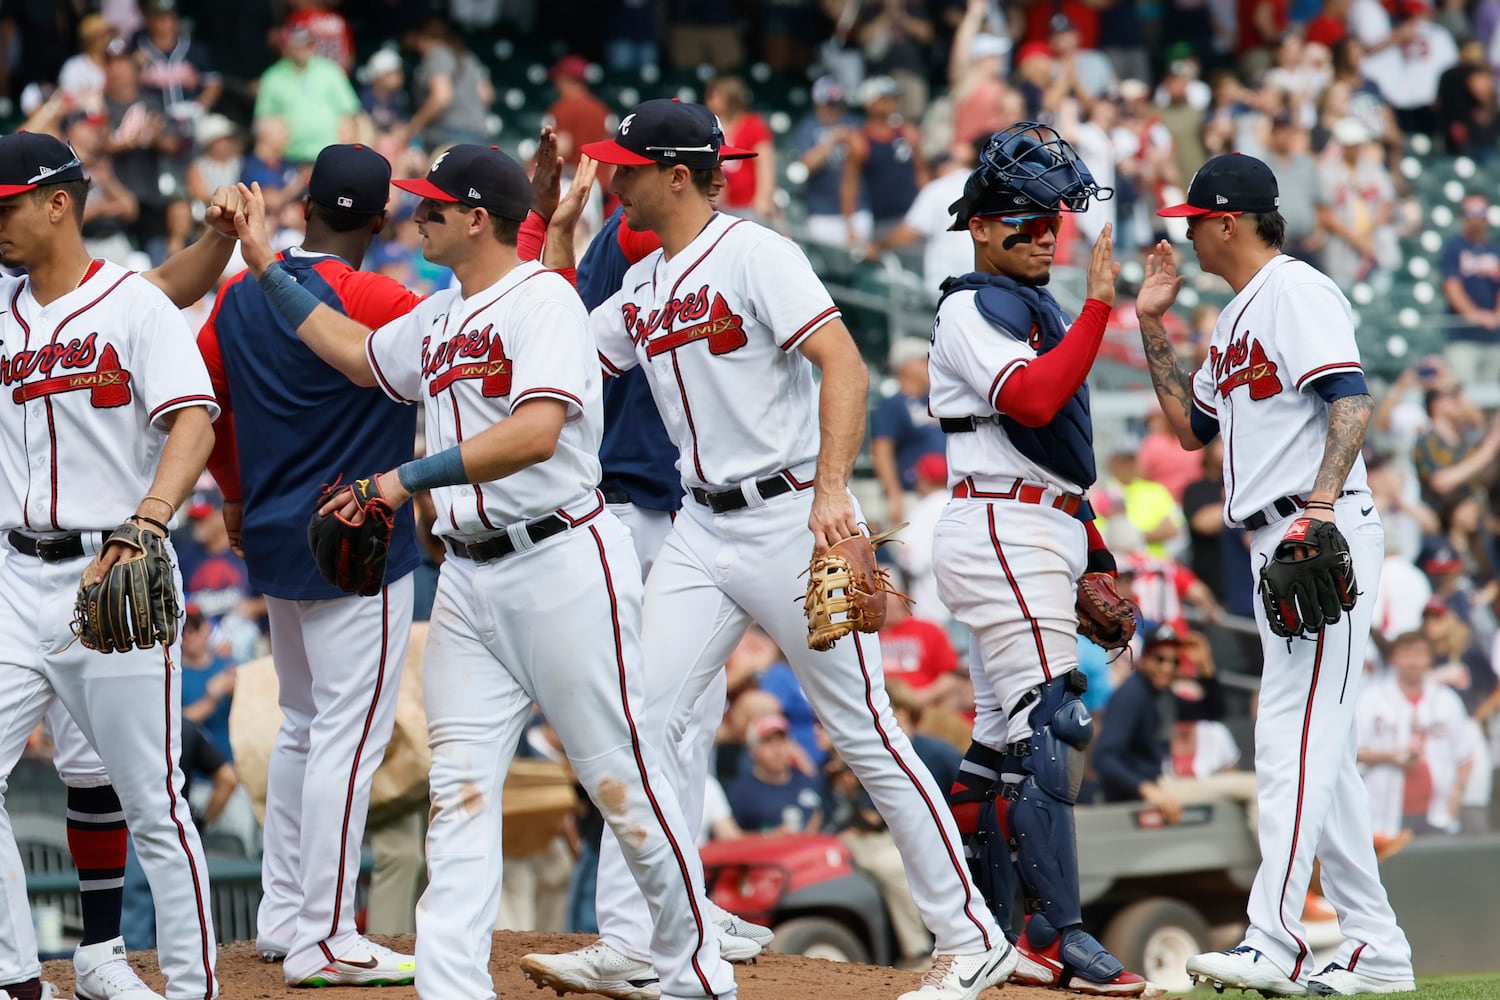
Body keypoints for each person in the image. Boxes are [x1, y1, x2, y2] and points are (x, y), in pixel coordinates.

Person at [531, 98, 1015, 1000]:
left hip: (791, 512)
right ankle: (644, 941)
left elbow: (846, 363)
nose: (616, 180)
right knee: (643, 726)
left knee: (863, 732)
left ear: (679, 174)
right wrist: (556, 231)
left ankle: (970, 933)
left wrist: (834, 491)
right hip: (700, 526)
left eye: (628, 168)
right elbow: (554, 344)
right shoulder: (643, 286)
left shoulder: (757, 254)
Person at [230, 141, 736, 1000]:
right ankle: (453, 987)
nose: (415, 215)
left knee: (622, 778)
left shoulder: (544, 300)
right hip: (467, 577)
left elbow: (537, 431)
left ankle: (694, 965)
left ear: (476, 219)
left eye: (432, 204)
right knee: (457, 793)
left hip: (563, 564)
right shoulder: (438, 314)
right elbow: (353, 353)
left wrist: (400, 480)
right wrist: (263, 265)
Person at [1136, 151, 1416, 995]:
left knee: (1289, 737)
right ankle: (1379, 952)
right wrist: (1152, 322)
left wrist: (1321, 509)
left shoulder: (1297, 291)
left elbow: (1352, 399)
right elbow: (1193, 430)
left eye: (1194, 224)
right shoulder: (1232, 319)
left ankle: (1276, 938)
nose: (1186, 238)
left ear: (1227, 221)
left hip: (1311, 528)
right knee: (1319, 756)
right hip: (1272, 541)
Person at [0, 130, 221, 1000]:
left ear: (59, 203)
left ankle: (195, 984)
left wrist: (148, 523)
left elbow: (193, 422)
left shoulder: (134, 305)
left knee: (154, 802)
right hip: (13, 575)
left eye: (9, 205)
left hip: (110, 572)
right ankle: (18, 975)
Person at [198, 144, 424, 985]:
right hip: (354, 543)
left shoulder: (232, 295)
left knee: (302, 725)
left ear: (302, 208)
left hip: (274, 530)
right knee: (348, 736)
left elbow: (210, 408)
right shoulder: (383, 297)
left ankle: (285, 917)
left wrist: (230, 497)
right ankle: (326, 939)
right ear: (379, 219)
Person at [930, 122, 1146, 997]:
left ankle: (984, 929)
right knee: (1053, 727)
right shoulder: (968, 305)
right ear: (980, 225)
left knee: (997, 748)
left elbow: (1053, 450)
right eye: (1023, 220)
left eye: (1053, 220)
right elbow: (1033, 396)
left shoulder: (1033, 306)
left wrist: (1091, 544)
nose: (1044, 234)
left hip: (1035, 521)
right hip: (999, 526)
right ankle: (1059, 936)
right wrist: (1101, 306)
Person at [1358, 631, 1479, 837]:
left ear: (1429, 658)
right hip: (1383, 814)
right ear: (1394, 658)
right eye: (1406, 654)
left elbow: (1465, 755)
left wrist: (1457, 792)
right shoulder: (1371, 699)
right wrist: (1390, 756)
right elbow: (1352, 752)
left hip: (1437, 814)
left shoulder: (1446, 700)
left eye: (1419, 654)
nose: (1413, 661)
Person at [872, 338, 948, 523]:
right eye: (923, 361)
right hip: (913, 496)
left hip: (944, 493)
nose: (929, 366)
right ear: (905, 365)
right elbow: (881, 451)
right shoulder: (892, 404)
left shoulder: (934, 401)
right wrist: (893, 494)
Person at [726, 714, 824, 833]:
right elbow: (731, 839)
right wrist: (768, 838)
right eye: (768, 742)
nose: (777, 749)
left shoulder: (808, 781)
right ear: (753, 750)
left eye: (782, 740)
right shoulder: (741, 792)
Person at [1441, 194, 1500, 383]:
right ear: (1462, 216)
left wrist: (1496, 316)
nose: (1476, 218)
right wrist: (1475, 315)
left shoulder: (1495, 250)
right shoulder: (1454, 248)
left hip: (1494, 337)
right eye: (1470, 212)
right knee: (1464, 393)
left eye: (1480, 212)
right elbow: (1451, 287)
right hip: (1463, 337)